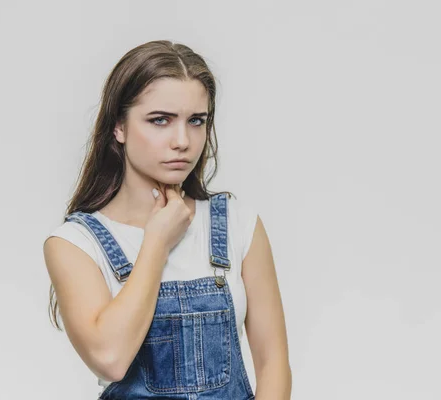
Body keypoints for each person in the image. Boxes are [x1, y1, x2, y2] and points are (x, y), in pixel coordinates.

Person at [43, 40, 292, 399]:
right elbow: (110, 358)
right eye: (160, 120)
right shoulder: (75, 244)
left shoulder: (239, 224)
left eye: (196, 121)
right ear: (119, 128)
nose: (182, 141)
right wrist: (157, 242)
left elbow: (273, 365)